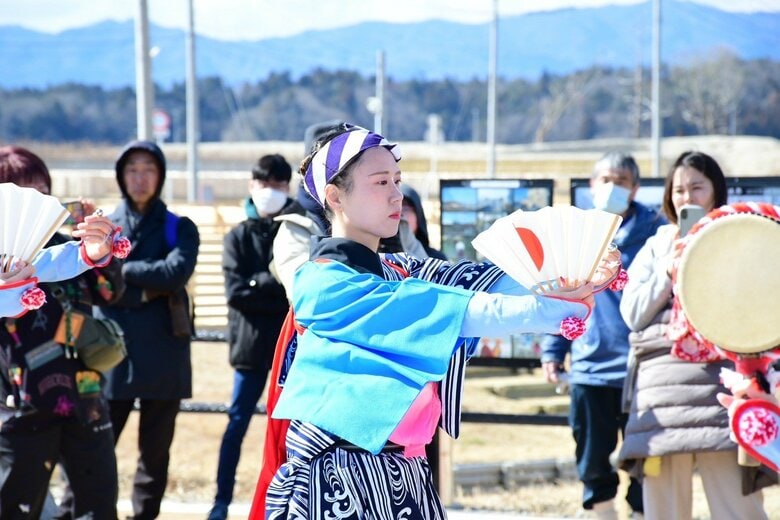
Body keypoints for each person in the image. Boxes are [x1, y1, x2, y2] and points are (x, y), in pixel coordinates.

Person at [250, 123, 608, 519]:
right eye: (380, 181)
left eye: (397, 180)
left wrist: (574, 272)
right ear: (335, 196)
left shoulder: (399, 270)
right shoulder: (322, 284)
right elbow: (456, 309)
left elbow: (481, 281)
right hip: (335, 480)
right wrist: (548, 310)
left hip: (405, 476)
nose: (396, 194)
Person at [617, 150, 767, 520]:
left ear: (717, 190)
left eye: (697, 187)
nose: (687, 198)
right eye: (679, 190)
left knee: (738, 505)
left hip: (725, 389)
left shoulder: (740, 236)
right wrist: (666, 273)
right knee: (664, 508)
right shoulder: (657, 244)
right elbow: (632, 315)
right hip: (661, 395)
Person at [0, 145, 124, 519]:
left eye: (42, 189)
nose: (36, 198)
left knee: (96, 504)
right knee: (16, 506)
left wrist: (97, 251)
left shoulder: (62, 245)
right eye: (25, 189)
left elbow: (110, 291)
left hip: (84, 391)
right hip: (22, 400)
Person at [540, 152, 665, 519]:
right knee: (591, 453)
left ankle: (642, 511)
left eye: (621, 181)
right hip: (590, 366)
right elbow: (561, 295)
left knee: (647, 454)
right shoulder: (577, 236)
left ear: (635, 188)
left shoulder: (657, 233)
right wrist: (553, 350)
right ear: (592, 186)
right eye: (606, 180)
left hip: (643, 366)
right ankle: (602, 510)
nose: (613, 187)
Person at [95, 140, 200, 520]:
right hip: (110, 352)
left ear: (161, 176)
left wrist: (126, 272)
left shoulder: (179, 227)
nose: (140, 178)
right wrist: (146, 287)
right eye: (132, 169)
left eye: (149, 169)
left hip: (164, 353)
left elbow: (175, 272)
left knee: (155, 452)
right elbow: (97, 281)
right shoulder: (104, 229)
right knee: (96, 446)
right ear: (121, 176)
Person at [207, 154, 301, 520]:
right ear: (251, 186)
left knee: (290, 429)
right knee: (236, 425)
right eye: (264, 183)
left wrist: (257, 285)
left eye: (278, 184)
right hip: (249, 347)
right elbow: (235, 293)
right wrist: (270, 281)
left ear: (288, 188)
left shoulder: (296, 231)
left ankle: (290, 500)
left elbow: (297, 290)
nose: (270, 191)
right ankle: (221, 501)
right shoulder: (237, 236)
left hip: (288, 348)